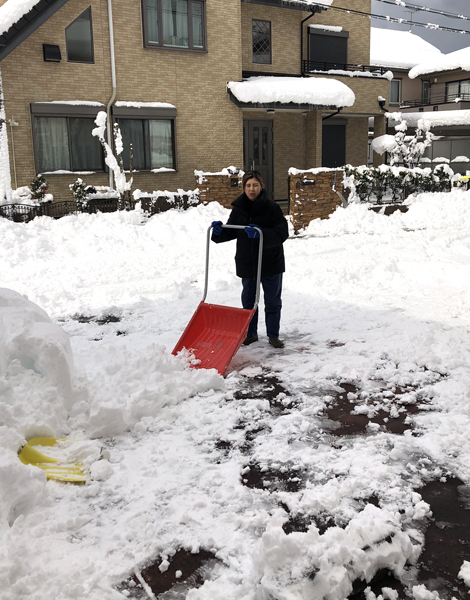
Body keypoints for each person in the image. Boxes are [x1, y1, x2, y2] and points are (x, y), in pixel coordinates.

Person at [211, 170, 288, 348]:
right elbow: (232, 230)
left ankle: (273, 335)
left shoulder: (272, 207)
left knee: (272, 301)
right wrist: (219, 232)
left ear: (261, 186)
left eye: (255, 185)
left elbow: (282, 232)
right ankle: (250, 333)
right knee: (248, 301)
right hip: (248, 263)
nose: (251, 189)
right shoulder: (239, 208)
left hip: (270, 263)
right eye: (248, 185)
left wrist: (261, 234)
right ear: (244, 187)